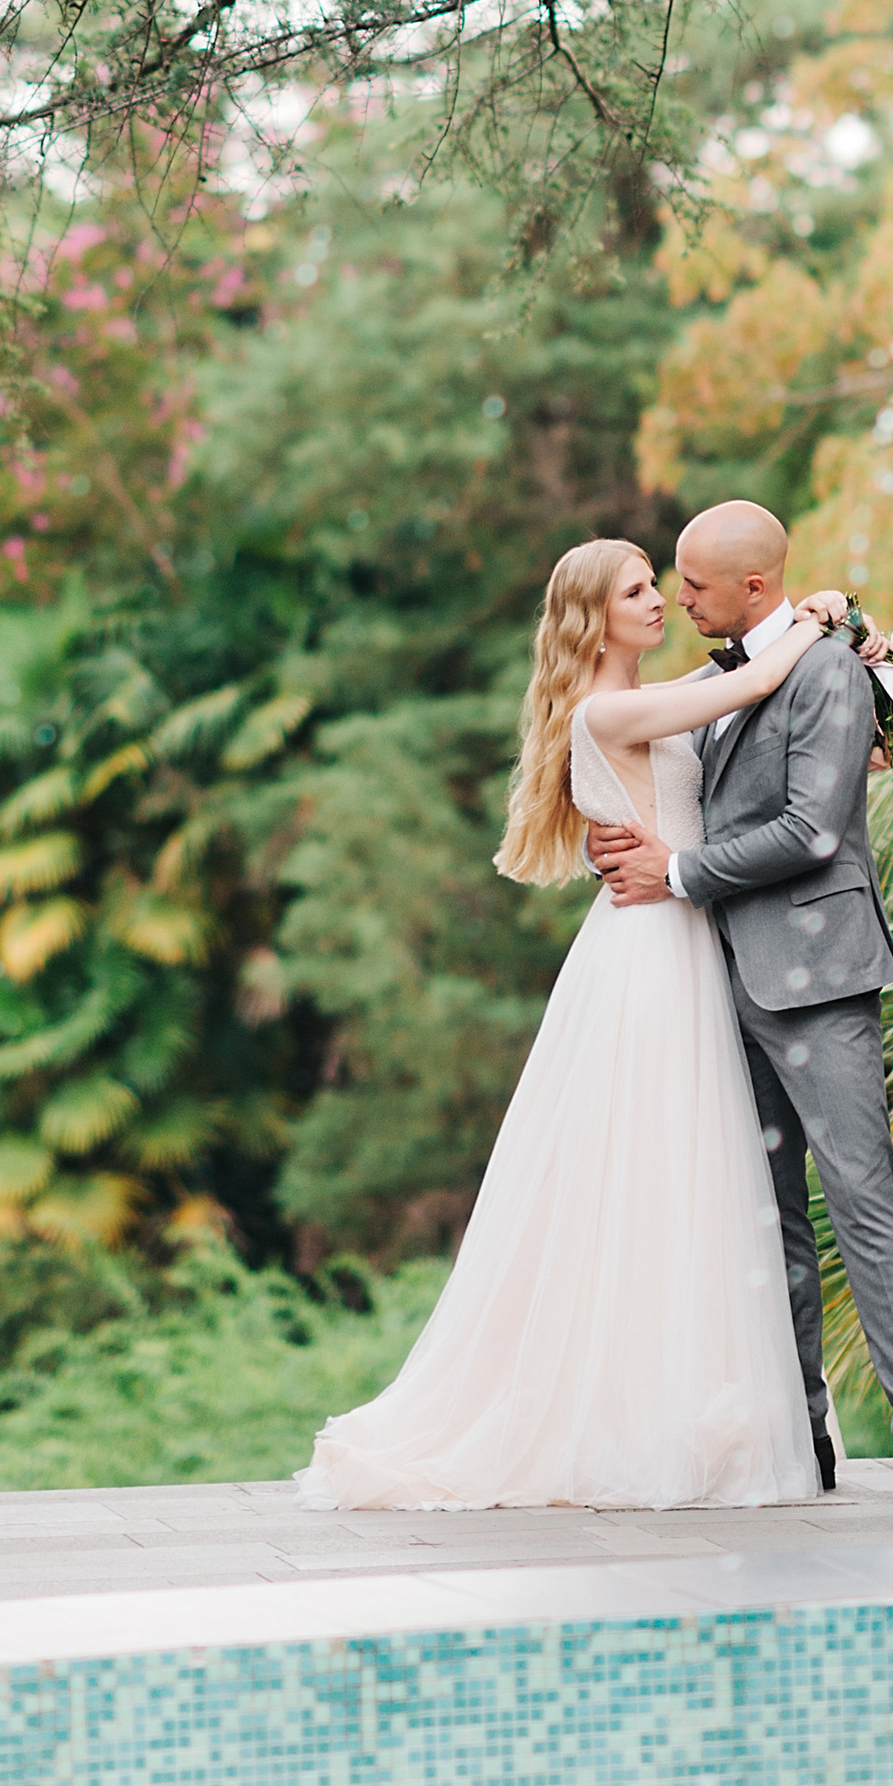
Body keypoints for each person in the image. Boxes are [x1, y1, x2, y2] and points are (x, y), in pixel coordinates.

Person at [293, 536, 836, 1511]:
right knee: (658, 1170)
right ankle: (641, 1414)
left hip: (677, 931)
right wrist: (818, 619)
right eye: (637, 589)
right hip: (650, 955)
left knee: (687, 1175)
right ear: (594, 614)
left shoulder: (638, 700)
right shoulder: (609, 706)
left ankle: (685, 1400)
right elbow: (745, 690)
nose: (660, 598)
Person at [590, 497, 893, 1514]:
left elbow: (811, 833)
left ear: (756, 587)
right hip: (716, 981)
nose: (679, 595)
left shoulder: (830, 670)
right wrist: (625, 844)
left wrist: (677, 870)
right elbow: (664, 790)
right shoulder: (712, 680)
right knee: (766, 1221)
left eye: (695, 583)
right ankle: (805, 1429)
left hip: (820, 977)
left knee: (861, 1204)